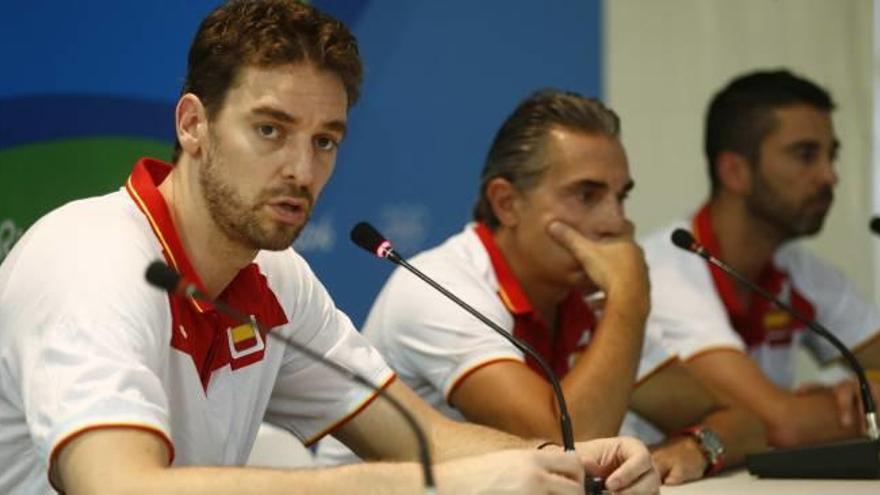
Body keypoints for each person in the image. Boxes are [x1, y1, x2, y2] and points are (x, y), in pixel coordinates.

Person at [0, 2, 661, 494]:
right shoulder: (89, 257)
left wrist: (570, 462)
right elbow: (121, 487)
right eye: (270, 129)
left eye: (325, 141)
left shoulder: (277, 275)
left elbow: (420, 434)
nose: (301, 169)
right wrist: (429, 483)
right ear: (193, 124)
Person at [317, 89, 764, 485]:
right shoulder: (441, 288)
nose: (616, 222)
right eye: (586, 195)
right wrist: (629, 298)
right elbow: (565, 447)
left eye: (620, 196)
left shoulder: (587, 295)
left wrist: (696, 447)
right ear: (507, 203)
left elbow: (745, 423)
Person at [640, 69, 880, 447]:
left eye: (831, 155)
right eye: (806, 155)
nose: (830, 176)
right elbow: (781, 425)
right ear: (735, 171)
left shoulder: (797, 266)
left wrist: (870, 385)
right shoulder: (662, 274)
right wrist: (859, 404)